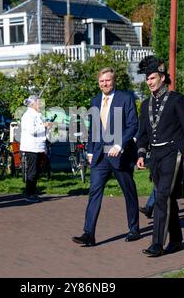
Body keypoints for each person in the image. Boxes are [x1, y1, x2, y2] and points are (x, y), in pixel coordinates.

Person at [136, 56, 184, 257]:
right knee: (169, 198)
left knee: (162, 197)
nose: (149, 82)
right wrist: (141, 152)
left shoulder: (177, 99)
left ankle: (157, 244)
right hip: (155, 156)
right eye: (147, 79)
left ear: (162, 78)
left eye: (153, 78)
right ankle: (176, 239)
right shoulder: (146, 103)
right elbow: (143, 132)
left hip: (173, 153)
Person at [72, 67, 140, 247]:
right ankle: (89, 233)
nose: (105, 84)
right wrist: (90, 150)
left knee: (129, 192)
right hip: (100, 157)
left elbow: (133, 125)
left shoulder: (126, 98)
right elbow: (94, 127)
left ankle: (134, 228)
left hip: (120, 155)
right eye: (102, 81)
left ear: (114, 81)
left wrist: (120, 145)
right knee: (94, 193)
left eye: (107, 80)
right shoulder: (95, 100)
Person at [19, 95, 53, 203]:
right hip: (31, 147)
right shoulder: (28, 116)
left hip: (38, 147)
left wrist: (47, 127)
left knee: (37, 171)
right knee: (32, 171)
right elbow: (32, 130)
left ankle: (33, 193)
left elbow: (42, 130)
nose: (40, 105)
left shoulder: (38, 115)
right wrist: (44, 125)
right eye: (38, 103)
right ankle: (29, 194)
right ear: (33, 104)